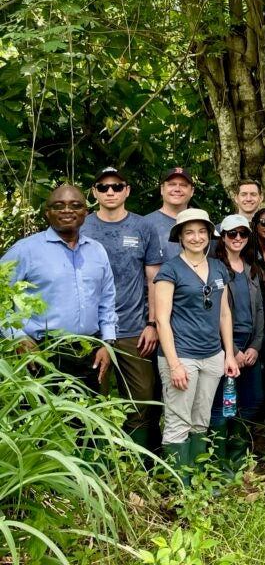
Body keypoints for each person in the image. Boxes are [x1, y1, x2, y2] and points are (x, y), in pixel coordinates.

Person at [153, 209, 240, 487]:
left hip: (213, 356)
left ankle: (198, 482)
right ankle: (181, 488)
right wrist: (175, 364)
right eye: (189, 232)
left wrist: (228, 354)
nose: (196, 237)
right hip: (181, 356)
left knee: (201, 421)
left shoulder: (218, 268)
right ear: (179, 236)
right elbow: (161, 320)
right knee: (178, 422)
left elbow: (224, 314)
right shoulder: (170, 270)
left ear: (210, 235)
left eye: (202, 231)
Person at [1, 185, 116, 391]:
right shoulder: (25, 250)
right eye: (58, 205)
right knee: (41, 420)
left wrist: (108, 343)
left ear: (85, 213)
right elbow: (1, 297)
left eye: (75, 205)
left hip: (88, 351)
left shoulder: (97, 251)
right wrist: (16, 338)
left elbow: (107, 301)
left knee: (85, 420)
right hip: (39, 352)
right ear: (47, 212)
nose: (67, 210)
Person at [81, 167, 163, 447]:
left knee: (143, 398)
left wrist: (152, 324)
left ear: (127, 190)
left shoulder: (143, 227)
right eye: (103, 187)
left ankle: (134, 462)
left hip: (133, 328)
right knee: (92, 399)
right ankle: (97, 463)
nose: (110, 192)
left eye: (116, 186)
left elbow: (153, 278)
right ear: (95, 192)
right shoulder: (83, 226)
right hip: (90, 331)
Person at [209, 214, 265, 474]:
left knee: (253, 402)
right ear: (223, 236)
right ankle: (220, 465)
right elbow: (214, 314)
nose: (238, 238)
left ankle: (237, 456)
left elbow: (260, 311)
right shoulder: (214, 268)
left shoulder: (252, 267)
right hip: (224, 346)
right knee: (224, 406)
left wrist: (255, 346)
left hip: (250, 345)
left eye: (243, 233)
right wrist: (231, 350)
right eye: (233, 234)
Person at [144, 168, 195, 261]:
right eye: (172, 184)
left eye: (183, 185)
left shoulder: (202, 221)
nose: (177, 189)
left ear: (192, 191)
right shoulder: (145, 224)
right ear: (162, 189)